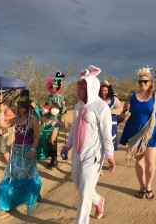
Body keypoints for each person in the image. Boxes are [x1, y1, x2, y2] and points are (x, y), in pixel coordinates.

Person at [61, 65, 116, 223]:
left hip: (93, 156)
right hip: (77, 154)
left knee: (84, 195)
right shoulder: (79, 106)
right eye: (79, 86)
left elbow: (107, 134)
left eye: (83, 86)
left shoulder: (101, 107)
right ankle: (98, 200)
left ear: (92, 87)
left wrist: (109, 156)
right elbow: (73, 127)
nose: (80, 89)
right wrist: (68, 145)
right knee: (81, 188)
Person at [119, 66, 156, 199]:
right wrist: (124, 113)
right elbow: (125, 110)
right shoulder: (132, 96)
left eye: (145, 81)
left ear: (151, 82)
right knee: (139, 161)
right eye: (140, 81)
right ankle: (141, 186)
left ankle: (149, 186)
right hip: (135, 132)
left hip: (152, 132)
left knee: (151, 161)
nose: (143, 84)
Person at [0, 90, 41, 214]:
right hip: (15, 150)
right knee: (12, 175)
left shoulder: (33, 121)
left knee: (29, 174)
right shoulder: (15, 120)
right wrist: (2, 115)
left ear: (27, 108)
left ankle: (34, 193)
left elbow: (37, 136)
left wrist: (33, 149)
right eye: (19, 107)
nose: (20, 110)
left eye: (23, 108)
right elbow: (3, 126)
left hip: (28, 151)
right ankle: (3, 203)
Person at [37, 72, 67, 168]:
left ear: (58, 87)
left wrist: (63, 105)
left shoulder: (61, 97)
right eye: (52, 85)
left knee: (52, 140)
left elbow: (64, 111)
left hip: (56, 123)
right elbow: (45, 110)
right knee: (48, 141)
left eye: (55, 85)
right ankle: (53, 159)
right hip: (47, 122)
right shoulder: (48, 98)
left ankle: (54, 160)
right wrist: (43, 112)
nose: (53, 87)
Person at [99, 80, 123, 151]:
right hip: (100, 122)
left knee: (110, 142)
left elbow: (120, 108)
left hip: (111, 122)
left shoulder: (114, 99)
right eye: (102, 90)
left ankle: (110, 158)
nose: (104, 92)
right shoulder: (98, 99)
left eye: (105, 90)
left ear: (109, 90)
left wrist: (109, 111)